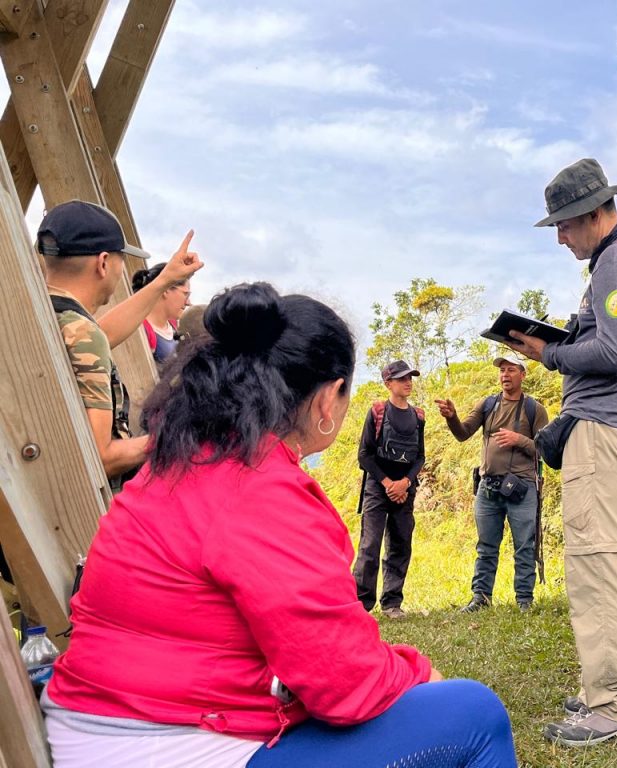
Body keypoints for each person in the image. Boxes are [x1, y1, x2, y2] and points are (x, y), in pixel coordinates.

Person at [41, 283, 517, 768]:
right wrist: (420, 674)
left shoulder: (183, 461)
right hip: (159, 744)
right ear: (328, 400)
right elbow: (346, 686)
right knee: (475, 713)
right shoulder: (261, 490)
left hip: (109, 720)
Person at [509, 158, 617, 746]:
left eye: (566, 224)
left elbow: (615, 353)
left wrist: (548, 356)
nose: (560, 237)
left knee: (600, 567)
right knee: (612, 565)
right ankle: (608, 690)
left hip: (604, 430)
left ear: (596, 213)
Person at [37, 200, 202, 488]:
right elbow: (100, 456)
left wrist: (165, 280)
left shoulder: (45, 315)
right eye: (120, 260)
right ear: (103, 263)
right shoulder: (82, 335)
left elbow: (100, 334)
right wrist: (185, 433)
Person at [436, 355, 549, 613]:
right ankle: (481, 598)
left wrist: (518, 440)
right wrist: (451, 417)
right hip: (488, 488)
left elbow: (546, 450)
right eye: (501, 371)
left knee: (524, 545)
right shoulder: (488, 404)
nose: (505, 375)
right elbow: (463, 434)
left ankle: (524, 600)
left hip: (522, 488)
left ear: (523, 374)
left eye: (511, 370)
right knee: (486, 546)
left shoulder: (535, 409)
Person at [353, 361, 426, 620]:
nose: (408, 382)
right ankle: (360, 605)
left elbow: (420, 457)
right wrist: (388, 484)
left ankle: (392, 603)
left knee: (400, 543)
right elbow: (365, 455)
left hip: (405, 489)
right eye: (402, 378)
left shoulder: (418, 416)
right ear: (388, 383)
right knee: (370, 545)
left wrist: (405, 483)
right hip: (377, 486)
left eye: (410, 378)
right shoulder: (377, 412)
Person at [130, 262, 192, 364]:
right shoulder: (142, 331)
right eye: (186, 294)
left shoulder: (174, 326)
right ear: (166, 288)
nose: (189, 302)